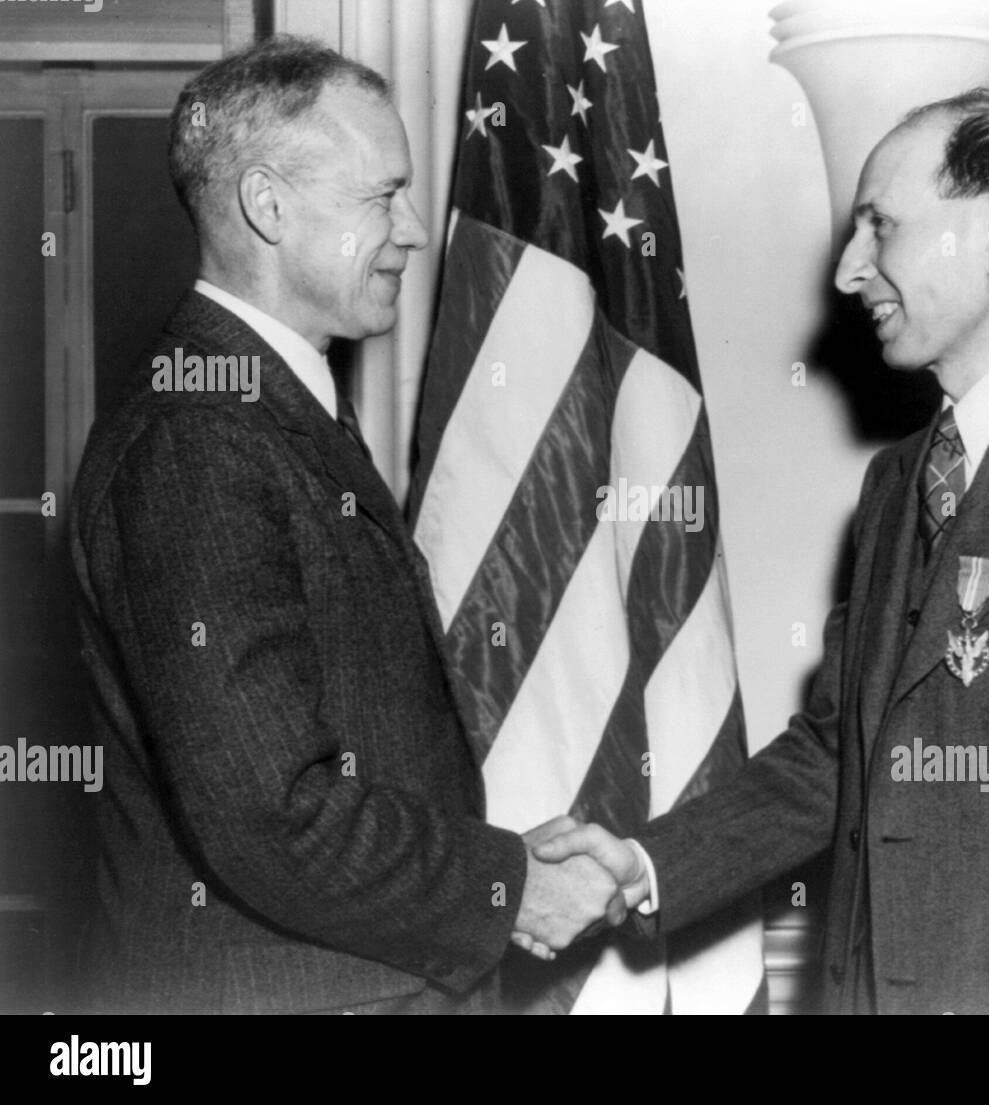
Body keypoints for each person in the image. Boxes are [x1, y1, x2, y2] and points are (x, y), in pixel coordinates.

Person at [531, 89, 989, 1015]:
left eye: (881, 226)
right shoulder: (894, 485)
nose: (847, 270)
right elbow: (839, 755)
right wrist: (640, 865)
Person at [70, 35, 617, 1014]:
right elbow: (268, 813)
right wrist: (506, 884)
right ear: (267, 206)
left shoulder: (269, 406)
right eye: (383, 196)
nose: (412, 229)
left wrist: (493, 862)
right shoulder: (200, 439)